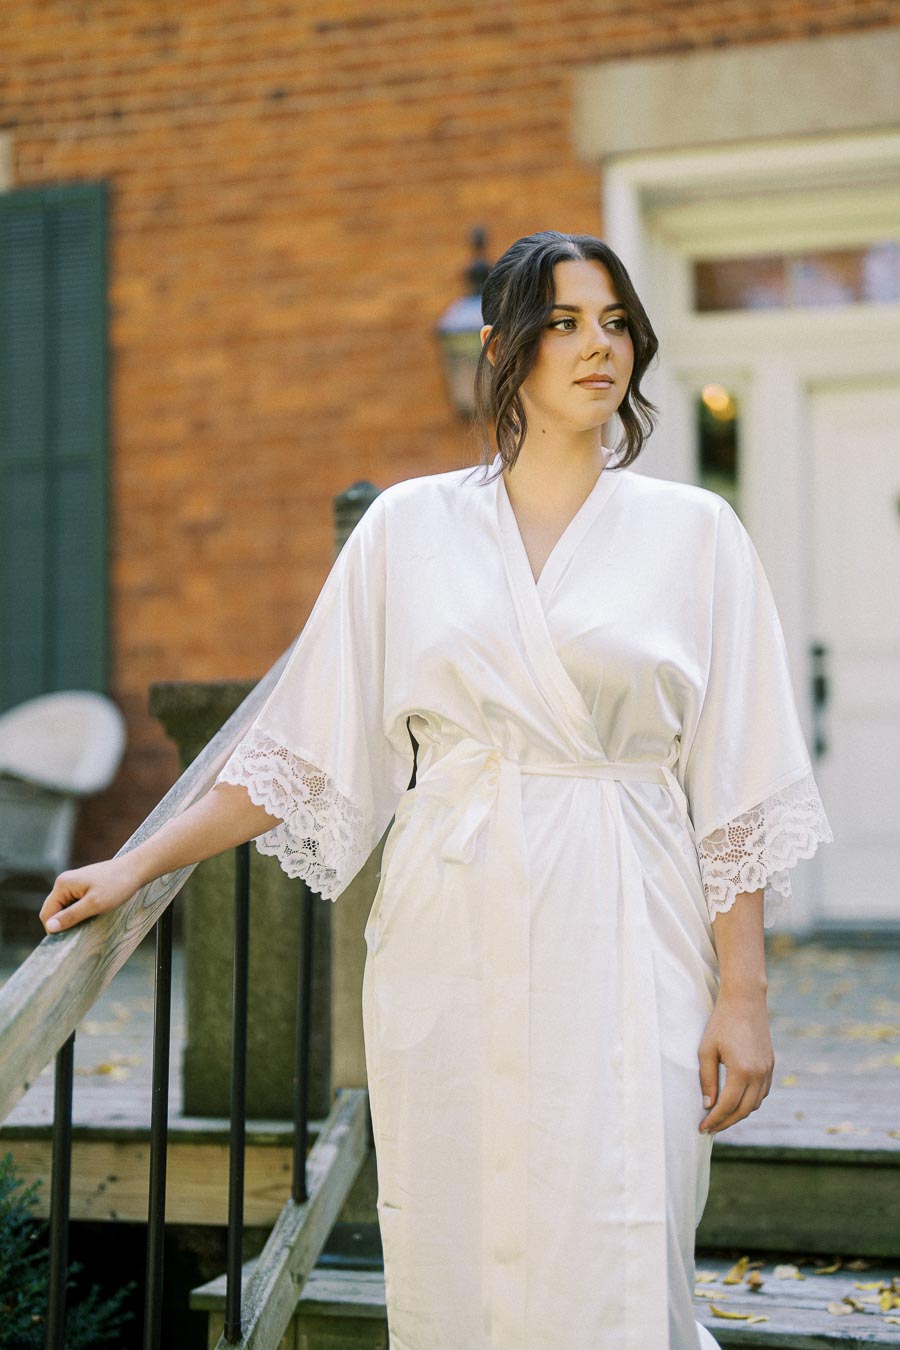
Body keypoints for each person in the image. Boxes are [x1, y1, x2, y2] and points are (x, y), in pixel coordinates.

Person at [40, 229, 833, 1349]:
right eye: (565, 323)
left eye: (616, 324)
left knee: (625, 1215)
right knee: (465, 1222)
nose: (599, 347)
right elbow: (303, 749)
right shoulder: (409, 529)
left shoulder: (695, 534)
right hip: (448, 919)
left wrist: (742, 994)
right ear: (502, 350)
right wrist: (136, 863)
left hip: (630, 905)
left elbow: (737, 787)